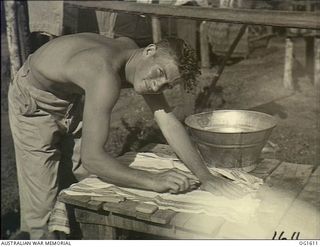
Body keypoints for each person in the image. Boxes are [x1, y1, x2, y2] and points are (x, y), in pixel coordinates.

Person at [8, 33, 244, 239]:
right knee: (42, 211)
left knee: (86, 185)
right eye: (160, 73)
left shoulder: (135, 56)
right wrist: (154, 180)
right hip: (34, 101)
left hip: (71, 97)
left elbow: (168, 121)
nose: (157, 85)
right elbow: (94, 158)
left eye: (166, 85)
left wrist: (205, 176)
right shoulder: (103, 74)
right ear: (150, 50)